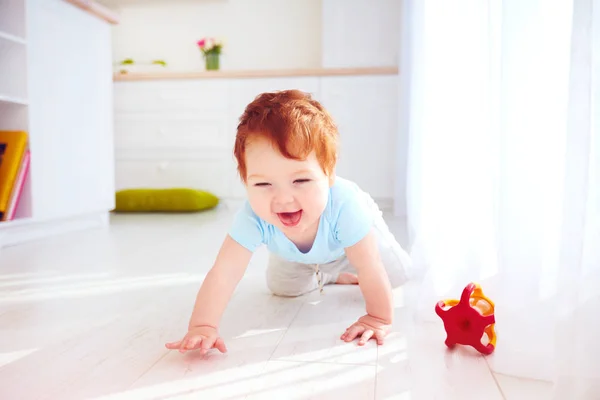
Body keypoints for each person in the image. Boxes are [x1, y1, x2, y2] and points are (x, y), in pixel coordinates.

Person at [165, 89, 412, 355]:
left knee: (396, 275)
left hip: (352, 244)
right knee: (283, 288)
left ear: (328, 174)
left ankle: (336, 268)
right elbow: (224, 273)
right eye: (263, 184)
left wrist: (378, 318)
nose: (283, 199)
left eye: (301, 181)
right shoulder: (252, 216)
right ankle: (328, 274)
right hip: (293, 252)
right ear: (245, 180)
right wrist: (203, 325)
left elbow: (369, 265)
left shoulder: (346, 206)